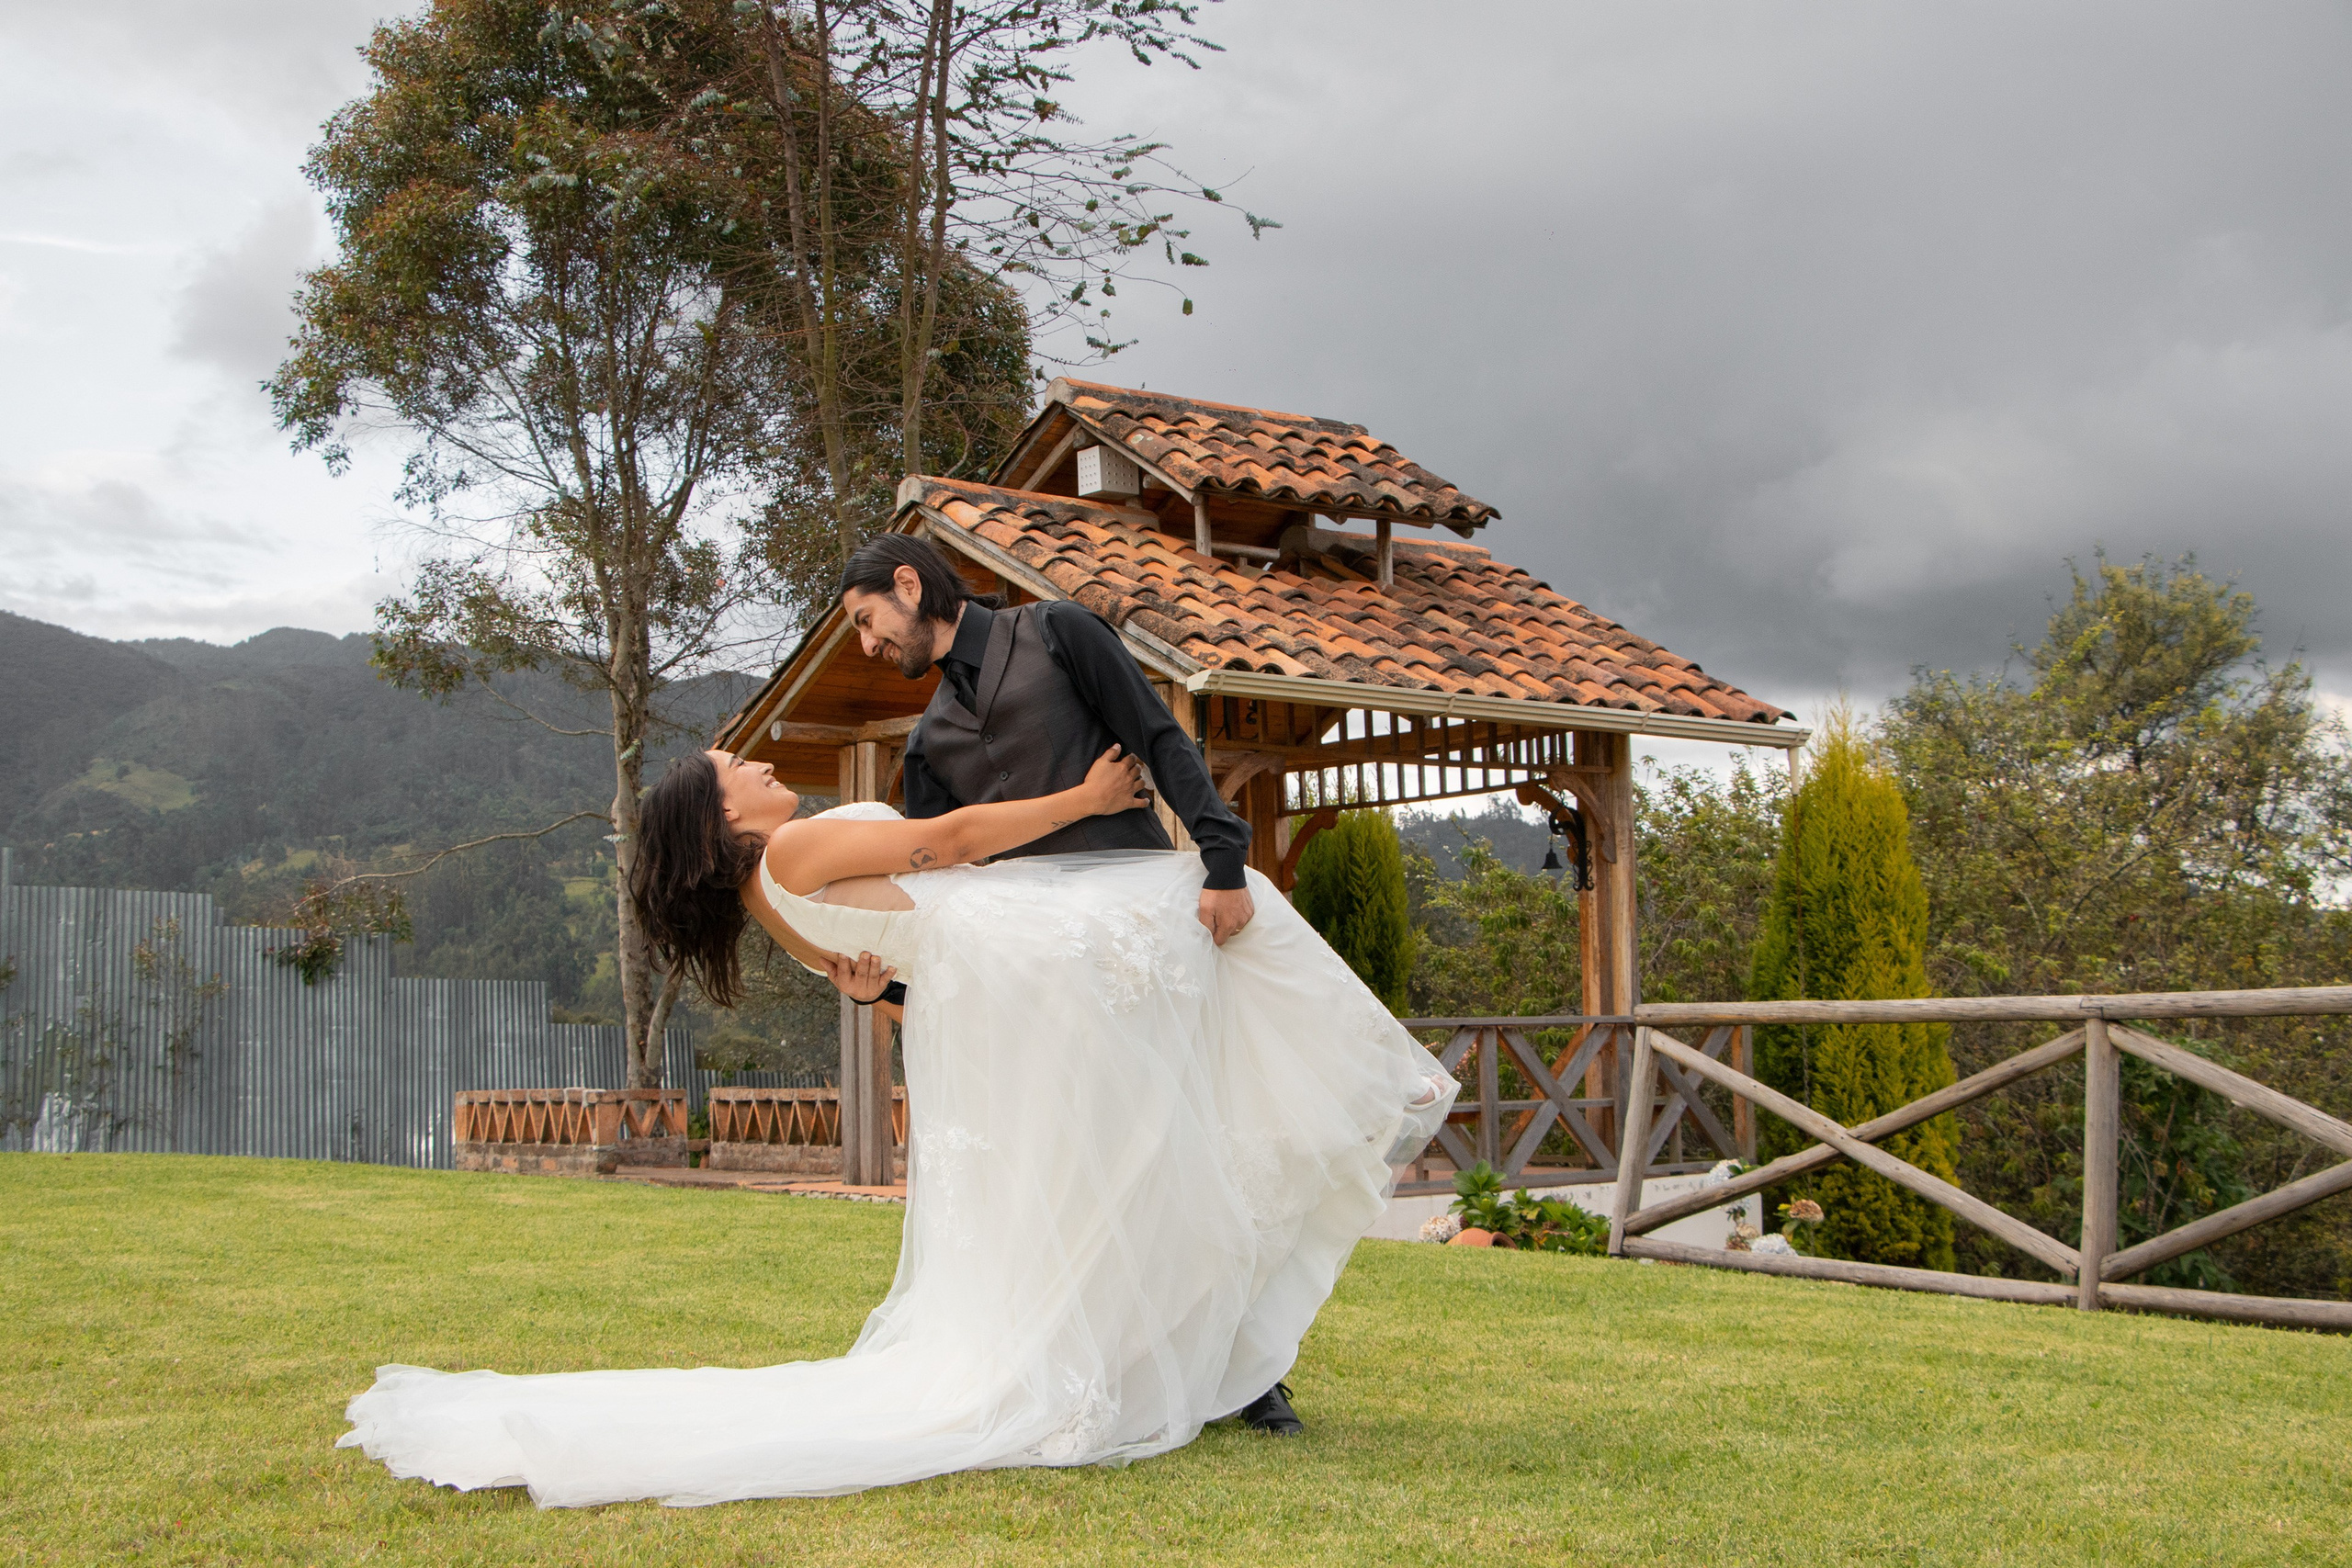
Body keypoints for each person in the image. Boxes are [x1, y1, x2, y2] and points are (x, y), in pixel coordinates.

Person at [334, 743, 1457, 1507]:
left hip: (1005, 988)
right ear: (726, 814)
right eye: (745, 770)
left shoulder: (770, 911)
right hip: (1038, 953)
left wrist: (875, 996)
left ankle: (1332, 1135)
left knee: (1176, 1081)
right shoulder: (790, 854)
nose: (767, 766)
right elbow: (957, 840)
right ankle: (1374, 1087)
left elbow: (885, 987)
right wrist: (1083, 795)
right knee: (1227, 899)